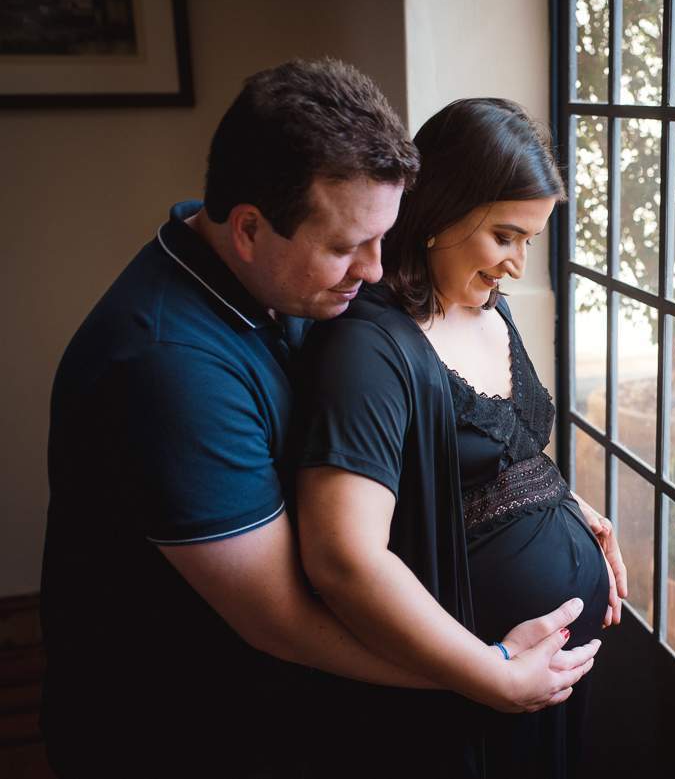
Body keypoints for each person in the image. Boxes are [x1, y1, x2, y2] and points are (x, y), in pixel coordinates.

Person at [40, 60, 598, 779]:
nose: (372, 271)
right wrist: (486, 670)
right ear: (247, 227)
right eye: (344, 247)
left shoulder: (265, 265)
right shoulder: (167, 369)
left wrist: (557, 499)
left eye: (383, 236)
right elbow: (282, 616)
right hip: (168, 725)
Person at [289, 97, 629, 778]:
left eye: (529, 240)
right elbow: (343, 558)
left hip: (541, 678)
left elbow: (505, 450)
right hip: (464, 693)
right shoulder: (369, 351)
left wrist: (569, 505)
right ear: (441, 210)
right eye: (504, 236)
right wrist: (494, 672)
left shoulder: (487, 308)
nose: (517, 265)